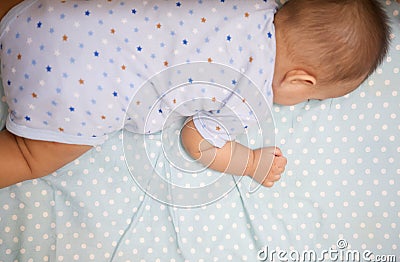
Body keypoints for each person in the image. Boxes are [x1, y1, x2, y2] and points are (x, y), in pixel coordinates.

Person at [0, 0, 390, 189]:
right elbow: (197, 139)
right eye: (311, 99)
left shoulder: (251, 5)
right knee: (28, 156)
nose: (303, 103)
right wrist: (249, 161)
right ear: (300, 81)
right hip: (74, 93)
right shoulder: (247, 94)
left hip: (55, 17)